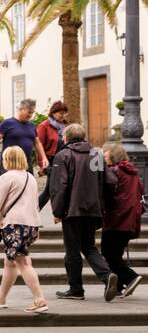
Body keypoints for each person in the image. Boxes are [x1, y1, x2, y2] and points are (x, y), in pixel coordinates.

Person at [48, 123, 117, 302]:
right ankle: (107, 274)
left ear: (67, 138)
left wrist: (57, 210)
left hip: (72, 210)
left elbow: (60, 186)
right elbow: (108, 181)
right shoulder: (95, 154)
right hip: (93, 209)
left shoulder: (63, 155)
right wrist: (105, 206)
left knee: (72, 250)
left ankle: (76, 289)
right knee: (88, 246)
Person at [0, 145, 47, 313]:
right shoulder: (30, 177)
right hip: (31, 225)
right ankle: (1, 298)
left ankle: (39, 299)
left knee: (22, 262)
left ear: (7, 159)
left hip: (15, 226)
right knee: (10, 262)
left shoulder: (6, 178)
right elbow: (35, 204)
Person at [102, 142, 144, 298]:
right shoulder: (133, 173)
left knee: (107, 252)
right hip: (131, 220)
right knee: (116, 253)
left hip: (116, 219)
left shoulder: (113, 171)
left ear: (113, 156)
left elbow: (107, 194)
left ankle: (131, 276)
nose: (103, 158)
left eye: (105, 155)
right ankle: (118, 286)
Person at [0, 98, 47, 177]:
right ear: (22, 109)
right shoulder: (7, 123)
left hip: (26, 163)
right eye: (29, 112)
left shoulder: (32, 125)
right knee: (9, 186)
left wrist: (44, 157)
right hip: (10, 163)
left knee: (27, 186)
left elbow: (37, 143)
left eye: (32, 113)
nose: (30, 115)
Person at [36, 101, 69, 211]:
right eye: (60, 113)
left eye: (65, 113)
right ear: (53, 113)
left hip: (65, 161)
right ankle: (33, 213)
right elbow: (38, 145)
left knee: (58, 189)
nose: (63, 115)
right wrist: (42, 165)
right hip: (51, 161)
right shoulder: (44, 126)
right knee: (50, 190)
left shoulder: (66, 126)